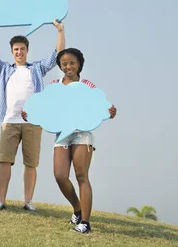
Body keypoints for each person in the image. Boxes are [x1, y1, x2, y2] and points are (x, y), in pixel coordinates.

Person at [23, 47, 117, 234]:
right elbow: (44, 107)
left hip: (82, 133)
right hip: (62, 134)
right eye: (64, 63)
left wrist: (110, 111)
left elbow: (100, 105)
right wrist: (30, 114)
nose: (68, 66)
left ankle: (85, 223)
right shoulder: (54, 85)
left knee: (82, 176)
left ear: (79, 64)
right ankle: (77, 208)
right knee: (60, 176)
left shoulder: (87, 85)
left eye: (72, 62)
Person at [0, 20, 65, 212]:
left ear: (27, 50)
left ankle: (28, 201)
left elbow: (57, 55)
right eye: (15, 49)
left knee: (31, 163)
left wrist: (60, 31)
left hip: (33, 122)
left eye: (22, 49)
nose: (19, 52)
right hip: (9, 121)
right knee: (4, 161)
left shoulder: (36, 69)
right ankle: (0, 200)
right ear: (12, 52)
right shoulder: (5, 69)